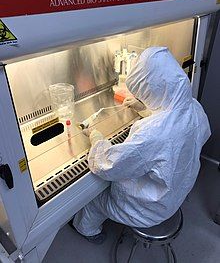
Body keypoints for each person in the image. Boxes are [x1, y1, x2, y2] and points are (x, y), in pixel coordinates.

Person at [70, 47, 211, 244]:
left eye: (144, 94)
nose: (142, 97)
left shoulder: (153, 134)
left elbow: (109, 166)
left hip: (147, 209)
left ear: (154, 88)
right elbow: (182, 130)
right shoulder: (194, 108)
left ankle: (87, 230)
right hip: (177, 194)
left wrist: (96, 137)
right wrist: (144, 109)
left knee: (94, 200)